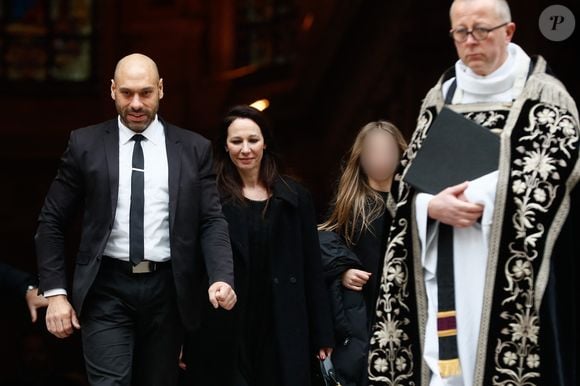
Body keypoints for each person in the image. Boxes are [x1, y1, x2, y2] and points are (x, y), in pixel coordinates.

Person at [367, 1, 579, 386]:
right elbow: (404, 189)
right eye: (460, 33)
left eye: (481, 30)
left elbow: (550, 179)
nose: (470, 41)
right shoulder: (441, 97)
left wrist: (477, 197)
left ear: (509, 31)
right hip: (446, 265)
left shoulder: (544, 97)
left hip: (511, 271)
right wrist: (429, 206)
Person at [35, 53, 236, 386]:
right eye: (127, 93)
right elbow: (52, 220)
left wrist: (221, 276)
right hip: (106, 287)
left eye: (146, 92)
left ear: (161, 89)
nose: (137, 103)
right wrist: (55, 293)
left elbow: (211, 220)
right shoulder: (85, 144)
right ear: (112, 90)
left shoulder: (193, 148)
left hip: (168, 291)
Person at [182, 105, 334, 386]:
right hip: (228, 322)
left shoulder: (295, 197)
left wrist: (322, 333)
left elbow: (312, 268)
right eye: (236, 141)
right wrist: (185, 336)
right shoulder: (210, 198)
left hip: (283, 320)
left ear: (265, 142)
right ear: (225, 147)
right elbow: (191, 267)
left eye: (253, 140)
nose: (245, 149)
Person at [318, 121, 407, 385]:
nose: (380, 158)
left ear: (402, 154)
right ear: (361, 157)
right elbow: (320, 242)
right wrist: (342, 269)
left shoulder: (417, 202)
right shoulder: (353, 205)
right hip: (367, 321)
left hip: (409, 312)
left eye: (387, 150)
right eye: (372, 151)